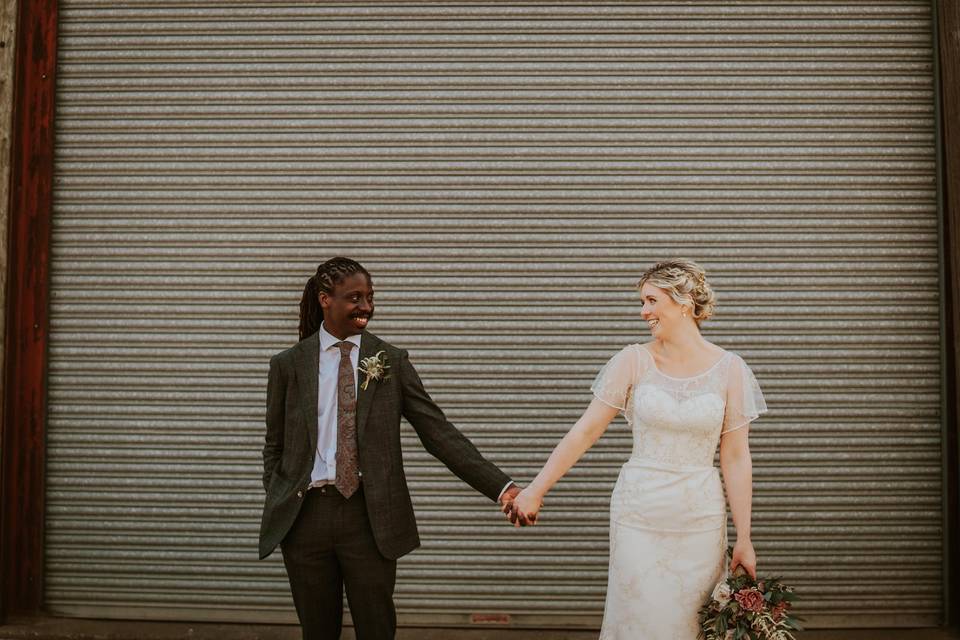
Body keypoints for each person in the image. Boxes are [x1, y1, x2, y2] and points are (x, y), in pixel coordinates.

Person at [258, 257, 521, 640]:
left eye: (370, 297)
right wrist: (280, 494)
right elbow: (274, 444)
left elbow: (439, 433)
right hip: (305, 520)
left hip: (369, 519)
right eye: (355, 298)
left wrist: (502, 487)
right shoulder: (289, 365)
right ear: (325, 299)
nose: (366, 307)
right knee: (316, 631)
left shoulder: (390, 362)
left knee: (377, 629)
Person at [508, 259, 767, 638]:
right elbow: (584, 431)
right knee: (641, 617)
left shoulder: (730, 369)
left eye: (650, 300)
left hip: (699, 516)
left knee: (691, 620)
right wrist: (536, 489)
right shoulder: (632, 361)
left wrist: (744, 538)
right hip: (639, 513)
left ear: (683, 302)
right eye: (641, 302)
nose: (643, 311)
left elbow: (735, 456)